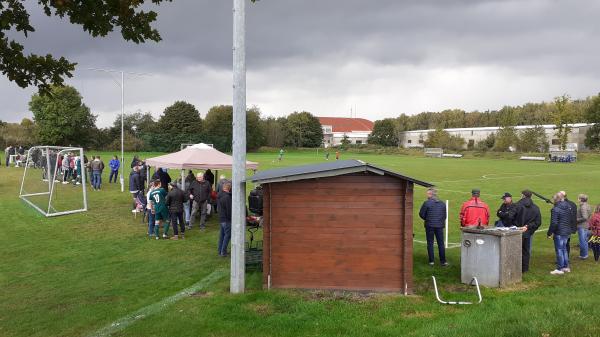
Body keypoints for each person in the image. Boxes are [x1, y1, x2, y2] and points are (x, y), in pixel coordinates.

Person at [418, 188, 448, 266]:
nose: (426, 195)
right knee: (441, 243)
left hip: (430, 225)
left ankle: (431, 261)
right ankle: (443, 261)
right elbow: (444, 216)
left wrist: (427, 219)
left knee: (430, 243)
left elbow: (421, 214)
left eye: (428, 194)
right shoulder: (442, 204)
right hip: (439, 226)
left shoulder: (426, 203)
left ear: (431, 194)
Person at [514, 190, 542, 273]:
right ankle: (525, 268)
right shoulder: (536, 207)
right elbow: (538, 222)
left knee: (515, 250)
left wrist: (518, 227)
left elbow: (511, 218)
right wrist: (528, 227)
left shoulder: (516, 205)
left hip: (517, 232)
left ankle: (515, 268)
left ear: (522, 195)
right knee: (526, 250)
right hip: (528, 232)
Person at [548, 193, 572, 275]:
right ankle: (566, 266)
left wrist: (549, 233)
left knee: (559, 250)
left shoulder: (555, 209)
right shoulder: (568, 206)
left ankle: (560, 268)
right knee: (564, 249)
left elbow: (554, 223)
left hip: (559, 232)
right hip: (567, 231)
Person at [559, 191, 577, 257]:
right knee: (567, 243)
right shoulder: (573, 203)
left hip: (562, 228)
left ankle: (562, 261)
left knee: (561, 245)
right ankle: (566, 258)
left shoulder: (561, 204)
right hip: (570, 227)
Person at [217, 182, 232, 257]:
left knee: (222, 235)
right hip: (226, 219)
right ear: (229, 188)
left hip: (221, 218)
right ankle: (223, 252)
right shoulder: (227, 197)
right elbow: (229, 210)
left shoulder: (220, 195)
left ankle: (220, 250)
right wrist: (231, 218)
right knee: (227, 235)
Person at [576, 194, 591, 259]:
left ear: (581, 199)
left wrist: (576, 220)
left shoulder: (583, 207)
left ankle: (583, 255)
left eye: (578, 198)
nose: (577, 199)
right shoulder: (587, 205)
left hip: (582, 226)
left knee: (582, 241)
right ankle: (585, 254)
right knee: (585, 240)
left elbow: (585, 217)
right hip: (586, 225)